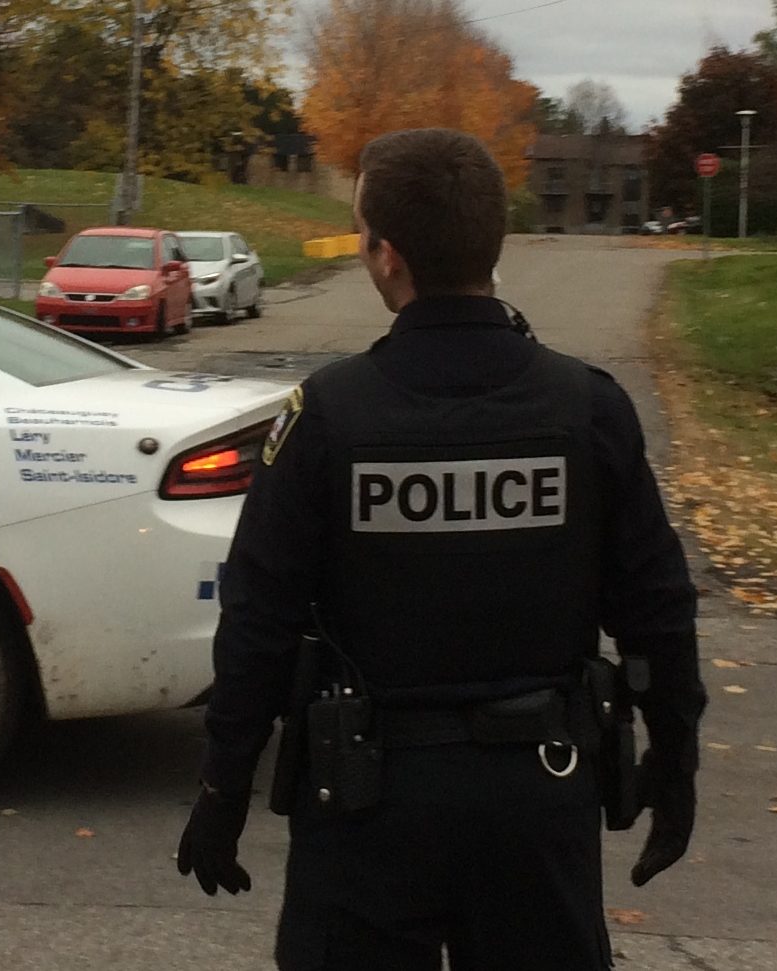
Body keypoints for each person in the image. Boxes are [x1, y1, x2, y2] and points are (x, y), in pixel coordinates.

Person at [175, 128, 706, 970]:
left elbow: (258, 621)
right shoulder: (586, 409)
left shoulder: (326, 418)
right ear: (491, 241)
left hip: (367, 807)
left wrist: (222, 785)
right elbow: (657, 608)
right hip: (538, 795)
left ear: (388, 258)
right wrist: (674, 760)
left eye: (359, 235)